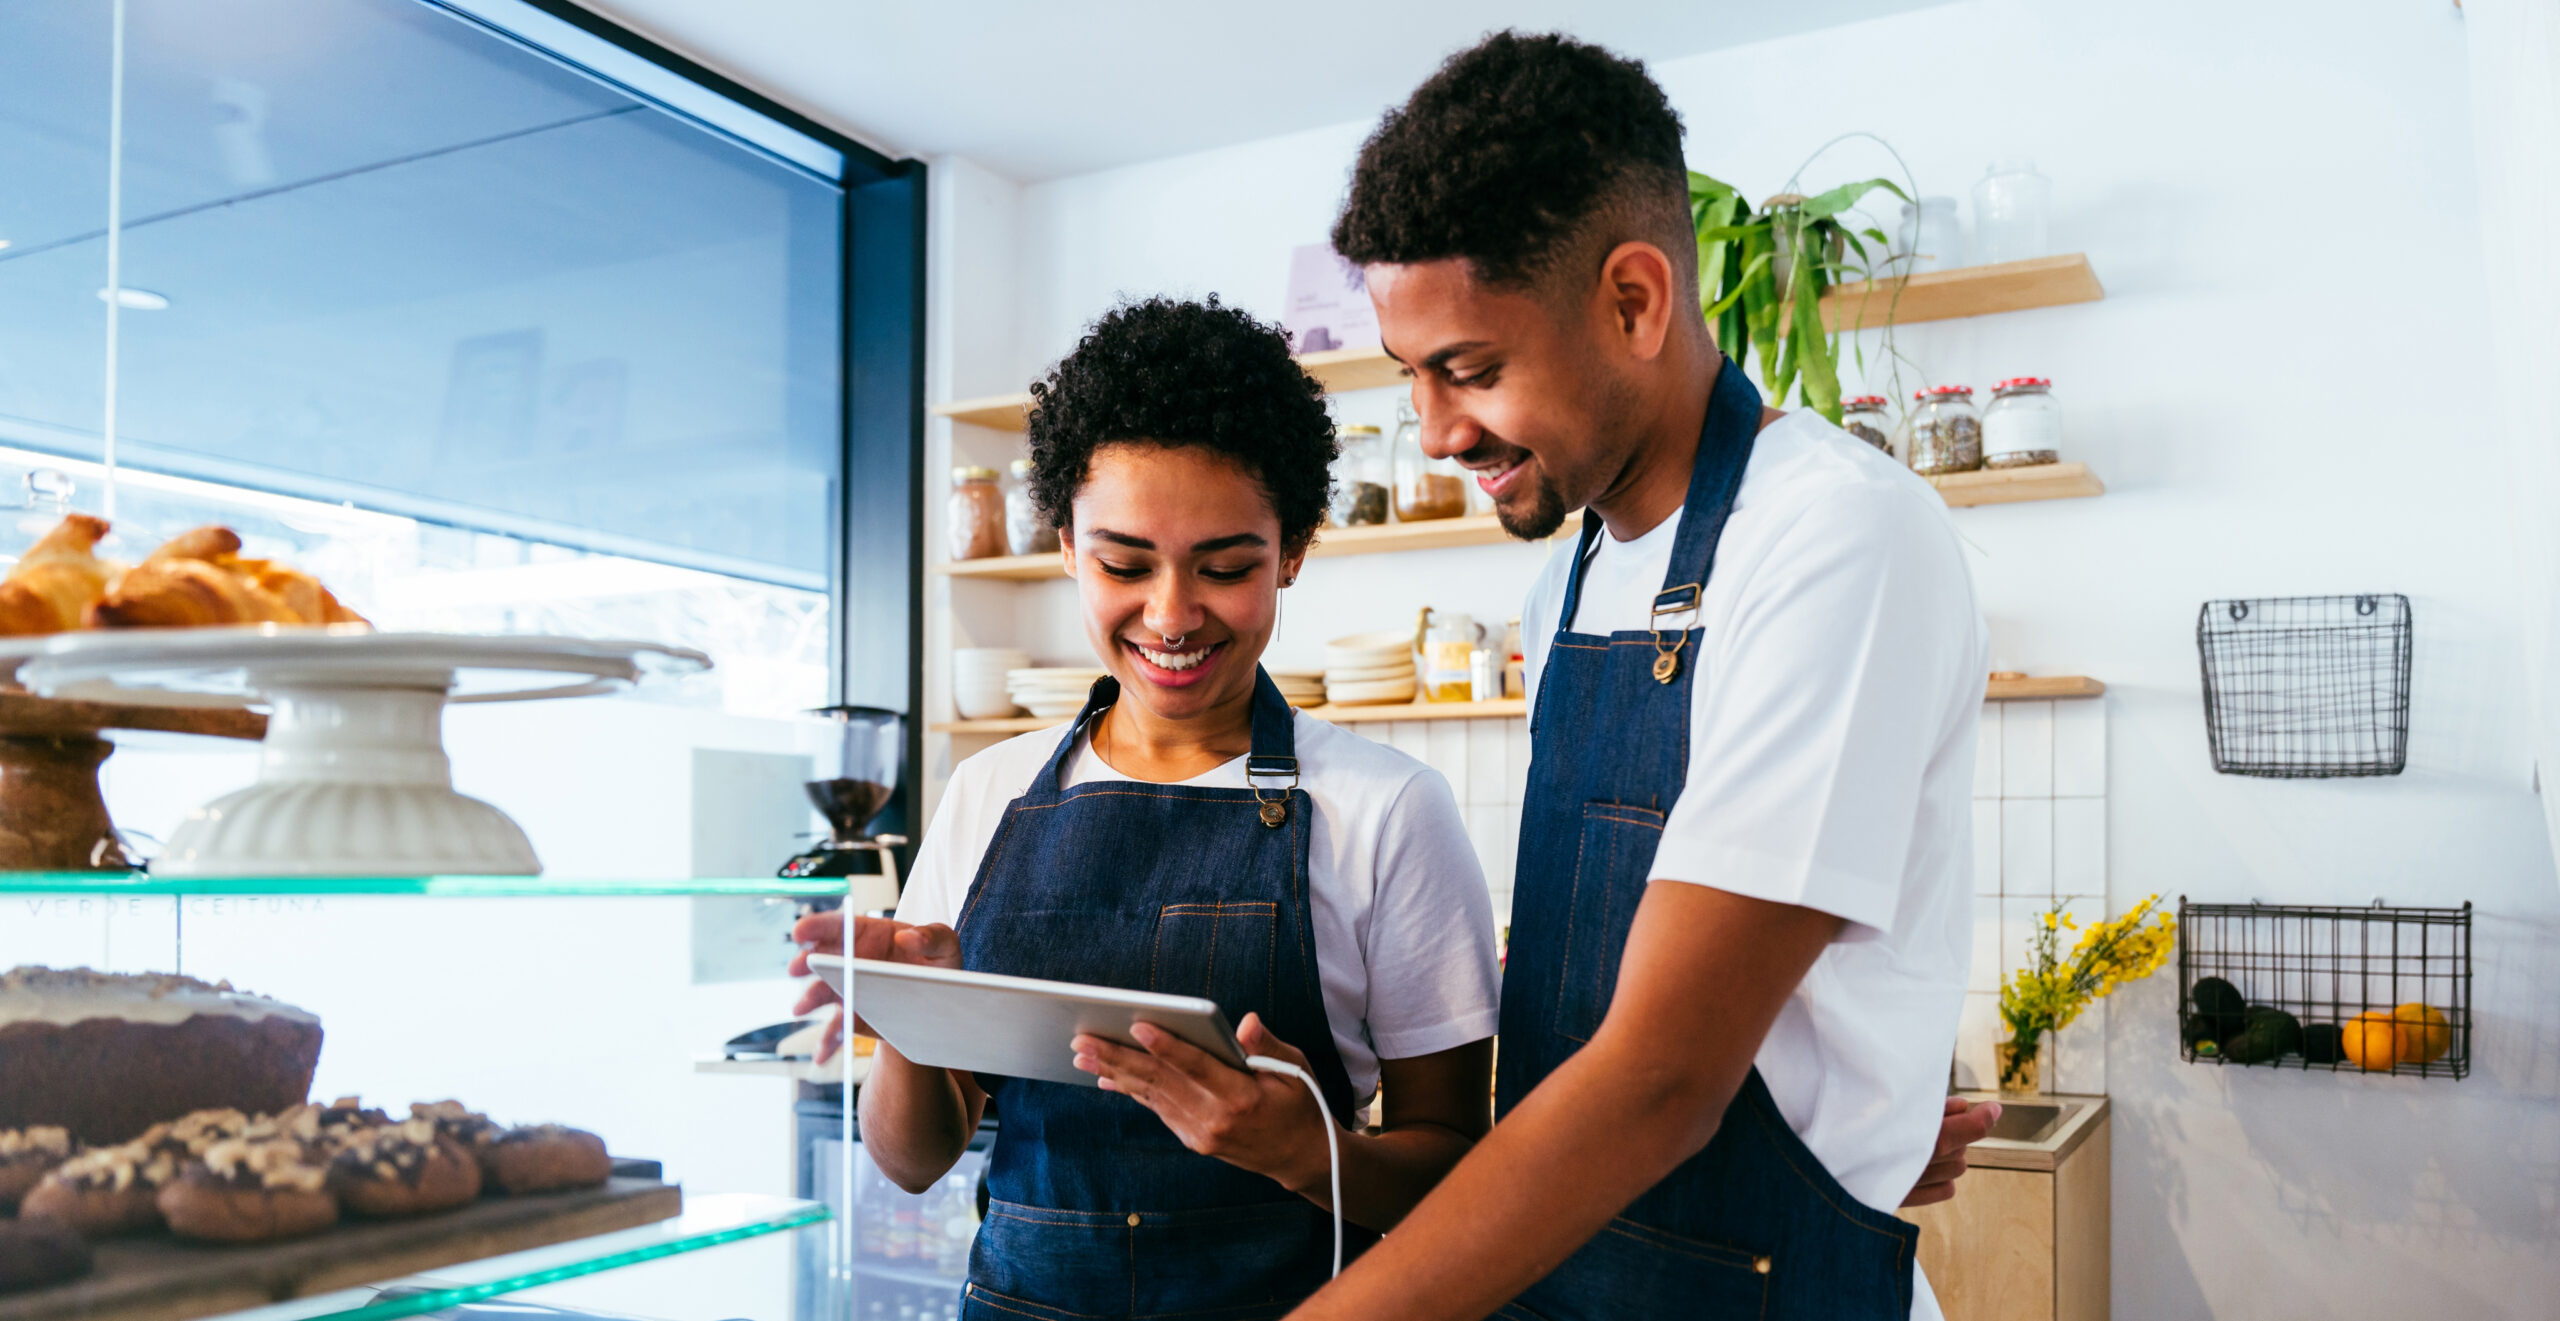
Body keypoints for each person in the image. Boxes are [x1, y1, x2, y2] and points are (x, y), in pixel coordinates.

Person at [1283, 32, 1992, 1321]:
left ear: (1632, 301)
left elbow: (1665, 1078)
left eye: (1473, 370)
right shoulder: (1572, 575)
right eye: (1414, 380)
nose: (1437, 433)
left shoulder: (1833, 534)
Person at [792, 296, 1506, 1321]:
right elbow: (911, 1160)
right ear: (1068, 546)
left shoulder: (1388, 808)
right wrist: (912, 1015)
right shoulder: (990, 791)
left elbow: (1458, 1175)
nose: (1171, 614)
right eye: (1124, 564)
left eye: (1225, 567)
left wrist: (1309, 1154)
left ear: (1294, 548)